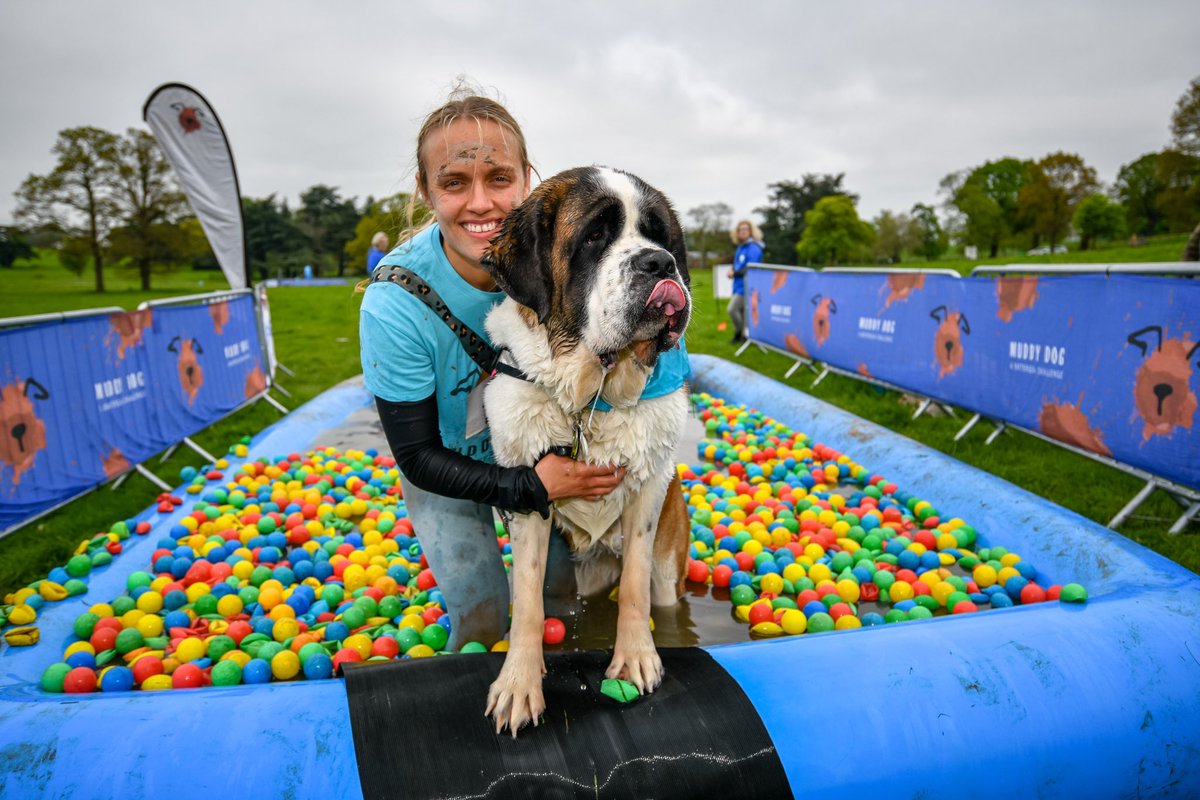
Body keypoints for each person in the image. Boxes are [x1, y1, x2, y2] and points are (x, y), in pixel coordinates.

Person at [358, 90, 690, 650]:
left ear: (526, 178)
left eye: (499, 178)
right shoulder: (395, 303)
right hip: (451, 467)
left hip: (553, 458)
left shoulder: (580, 258)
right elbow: (415, 456)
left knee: (567, 609)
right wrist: (526, 486)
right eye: (454, 182)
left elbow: (654, 397)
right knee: (481, 618)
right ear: (426, 191)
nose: (480, 203)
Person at [727, 219, 763, 343]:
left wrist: (735, 273)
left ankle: (740, 334)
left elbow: (752, 267)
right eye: (740, 229)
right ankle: (744, 337)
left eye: (745, 229)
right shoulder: (741, 247)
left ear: (751, 231)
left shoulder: (754, 247)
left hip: (747, 286)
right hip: (738, 285)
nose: (742, 231)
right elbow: (738, 264)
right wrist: (732, 269)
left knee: (732, 309)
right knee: (742, 312)